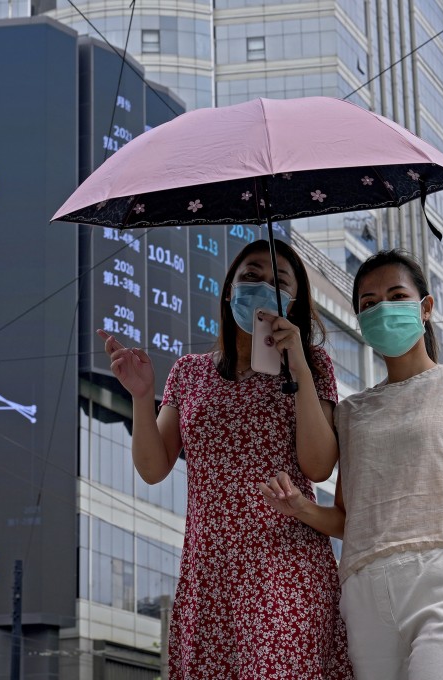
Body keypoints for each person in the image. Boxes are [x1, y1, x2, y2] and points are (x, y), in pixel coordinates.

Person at [260, 249, 443, 680]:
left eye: (396, 296)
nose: (383, 309)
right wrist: (301, 508)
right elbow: (348, 517)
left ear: (426, 307)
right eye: (369, 304)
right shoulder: (351, 413)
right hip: (363, 590)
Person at [98, 239, 354, 679]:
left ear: (295, 303)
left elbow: (318, 466)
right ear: (227, 291)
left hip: (286, 567)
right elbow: (153, 468)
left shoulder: (312, 363)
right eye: (251, 276)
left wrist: (299, 370)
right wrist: (142, 396)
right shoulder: (188, 371)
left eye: (279, 283)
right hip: (209, 570)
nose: (262, 287)